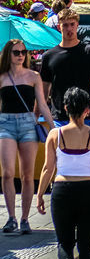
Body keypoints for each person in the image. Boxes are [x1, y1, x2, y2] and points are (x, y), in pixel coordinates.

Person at [36, 89, 90, 259]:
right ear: (87, 110)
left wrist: (39, 194)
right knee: (86, 246)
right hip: (89, 190)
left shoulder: (55, 135)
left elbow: (48, 168)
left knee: (64, 243)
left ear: (66, 108)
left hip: (62, 191)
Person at [0, 40, 54, 234]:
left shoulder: (34, 76)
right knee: (7, 172)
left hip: (27, 123)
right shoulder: (2, 77)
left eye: (23, 52)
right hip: (5, 122)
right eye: (16, 52)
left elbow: (42, 103)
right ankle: (11, 217)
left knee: (28, 174)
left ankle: (24, 218)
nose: (21, 55)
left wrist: (54, 127)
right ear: (8, 54)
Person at [40, 7, 90, 123]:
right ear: (59, 27)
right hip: (59, 118)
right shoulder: (49, 56)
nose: (69, 29)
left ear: (77, 25)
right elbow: (44, 91)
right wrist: (38, 115)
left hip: (85, 117)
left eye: (72, 24)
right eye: (65, 25)